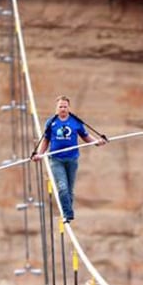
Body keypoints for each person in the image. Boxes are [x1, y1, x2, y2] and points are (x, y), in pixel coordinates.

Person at [32, 95, 106, 223]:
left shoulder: (75, 122)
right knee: (62, 187)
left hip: (72, 159)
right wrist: (39, 154)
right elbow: (46, 140)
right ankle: (68, 214)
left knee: (69, 190)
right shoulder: (51, 122)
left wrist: (97, 142)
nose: (63, 109)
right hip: (56, 159)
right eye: (60, 106)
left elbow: (85, 136)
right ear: (57, 108)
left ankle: (68, 213)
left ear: (69, 107)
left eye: (65, 106)